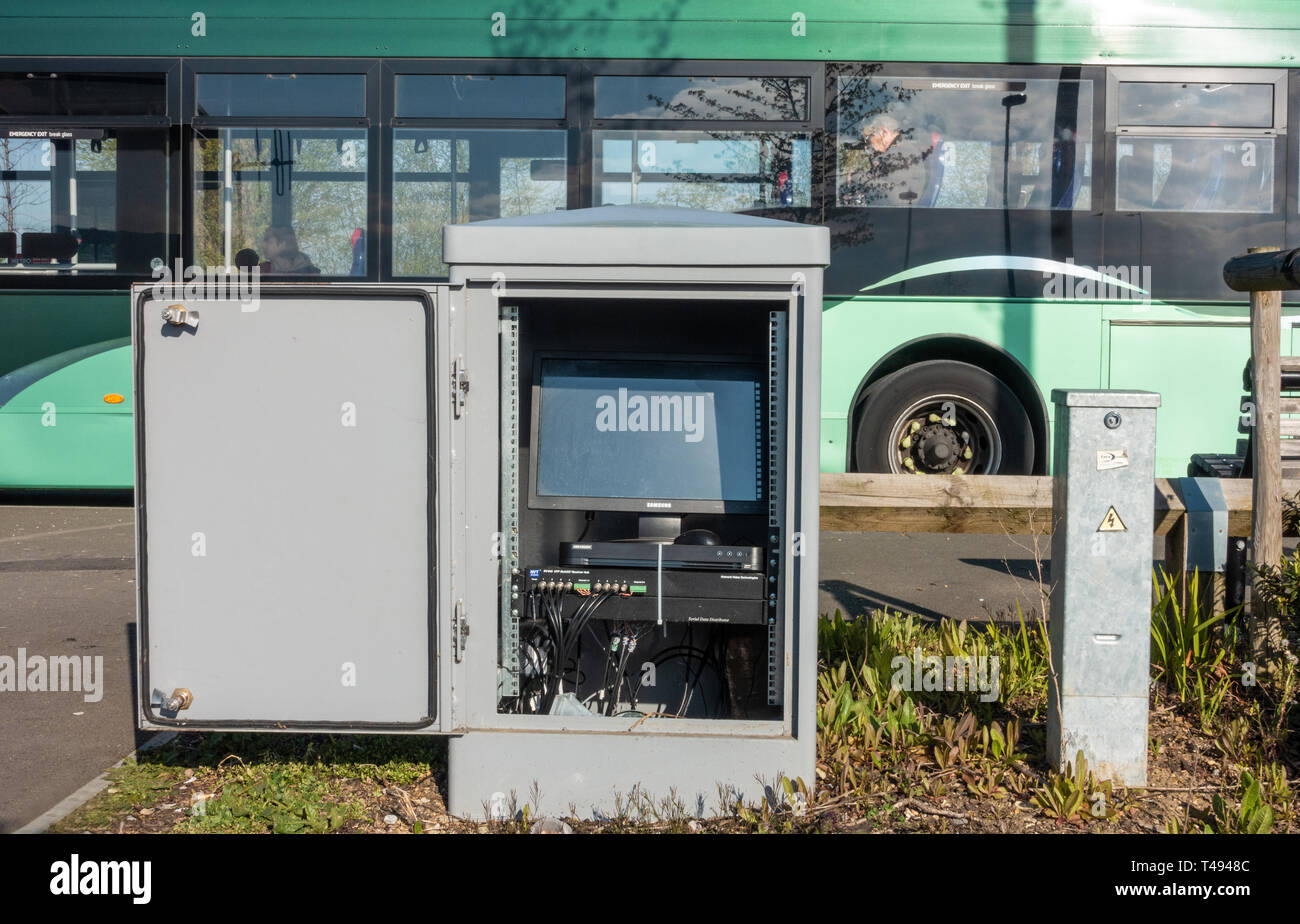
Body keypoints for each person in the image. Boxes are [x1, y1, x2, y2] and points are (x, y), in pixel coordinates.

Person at [840, 112, 943, 207]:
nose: (867, 144)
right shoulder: (896, 151)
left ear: (884, 132)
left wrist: (857, 177)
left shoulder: (903, 152)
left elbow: (894, 197)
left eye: (867, 138)